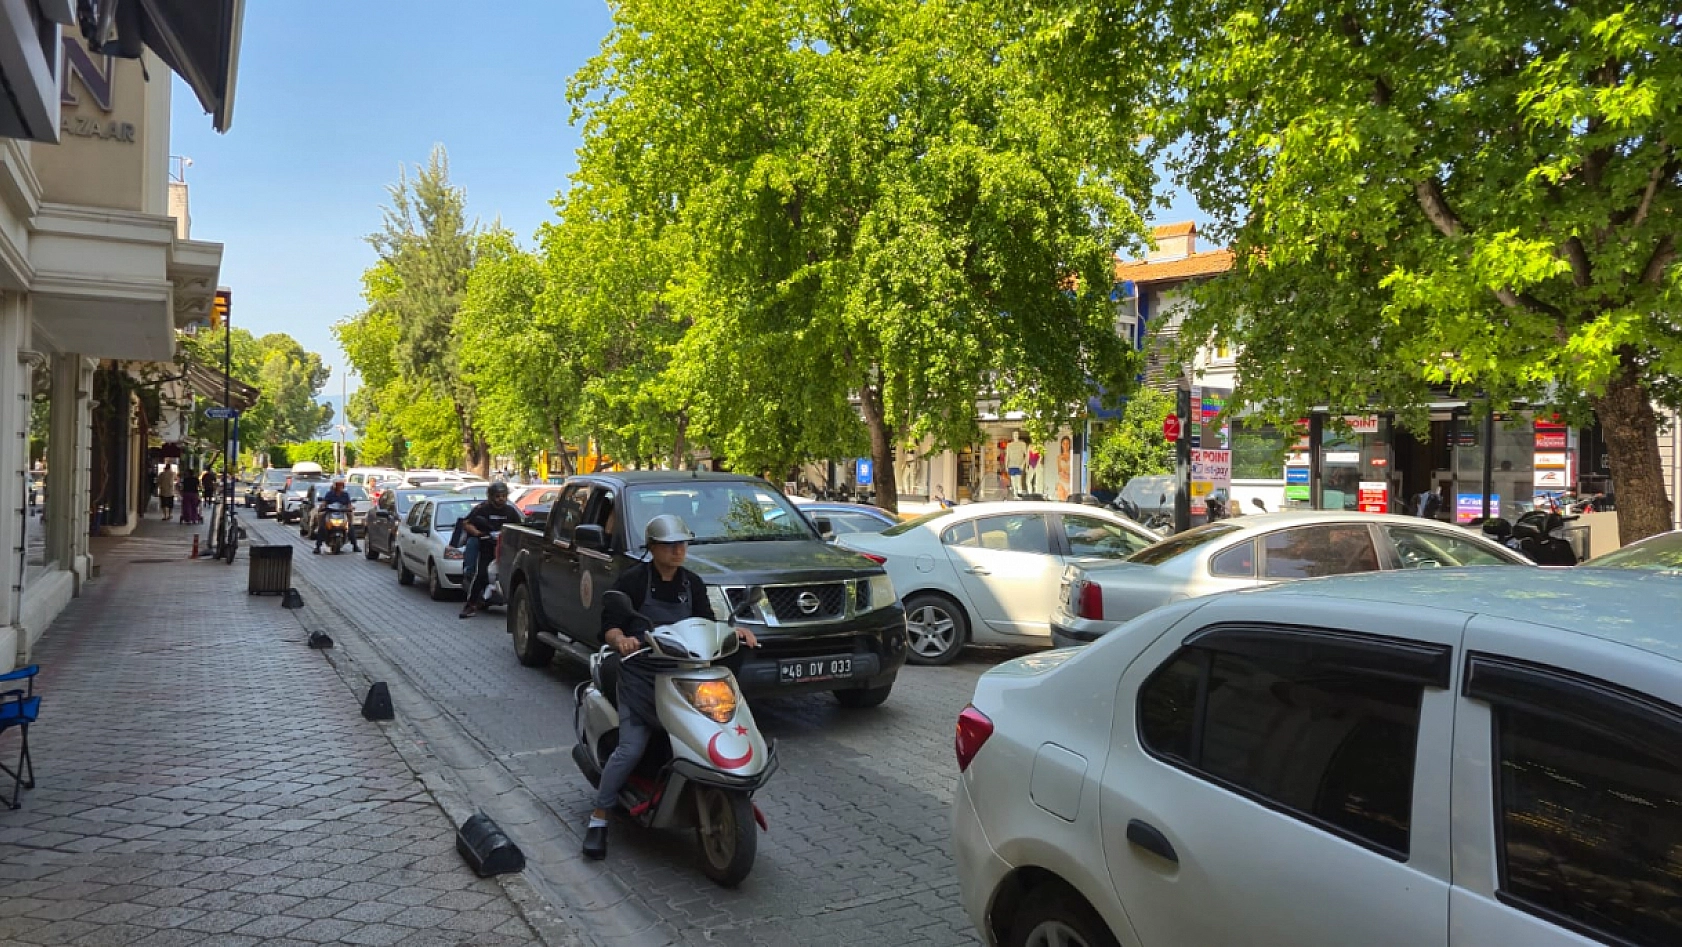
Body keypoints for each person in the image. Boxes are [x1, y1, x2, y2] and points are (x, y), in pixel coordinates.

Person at [583, 514, 758, 860]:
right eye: (670, 545)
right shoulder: (633, 580)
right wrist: (621, 641)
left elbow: (706, 622)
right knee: (632, 747)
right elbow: (609, 626)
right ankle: (599, 817)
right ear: (653, 547)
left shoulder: (691, 583)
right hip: (642, 673)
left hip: (685, 674)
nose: (679, 550)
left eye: (683, 544)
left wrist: (732, 632)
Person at [457, 482, 525, 618]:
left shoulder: (510, 511)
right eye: (498, 496)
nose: (501, 499)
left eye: (504, 496)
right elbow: (466, 523)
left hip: (505, 549)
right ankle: (470, 605)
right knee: (481, 573)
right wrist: (478, 534)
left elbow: (520, 527)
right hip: (487, 546)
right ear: (491, 496)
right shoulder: (482, 509)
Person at [313, 479, 359, 554]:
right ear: (335, 486)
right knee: (322, 526)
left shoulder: (345, 494)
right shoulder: (329, 494)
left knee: (351, 526)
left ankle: (355, 545)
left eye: (341, 485)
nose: (339, 487)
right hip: (330, 512)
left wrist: (350, 508)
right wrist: (322, 507)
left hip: (342, 512)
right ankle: (318, 547)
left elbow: (349, 504)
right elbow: (325, 502)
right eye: (338, 485)